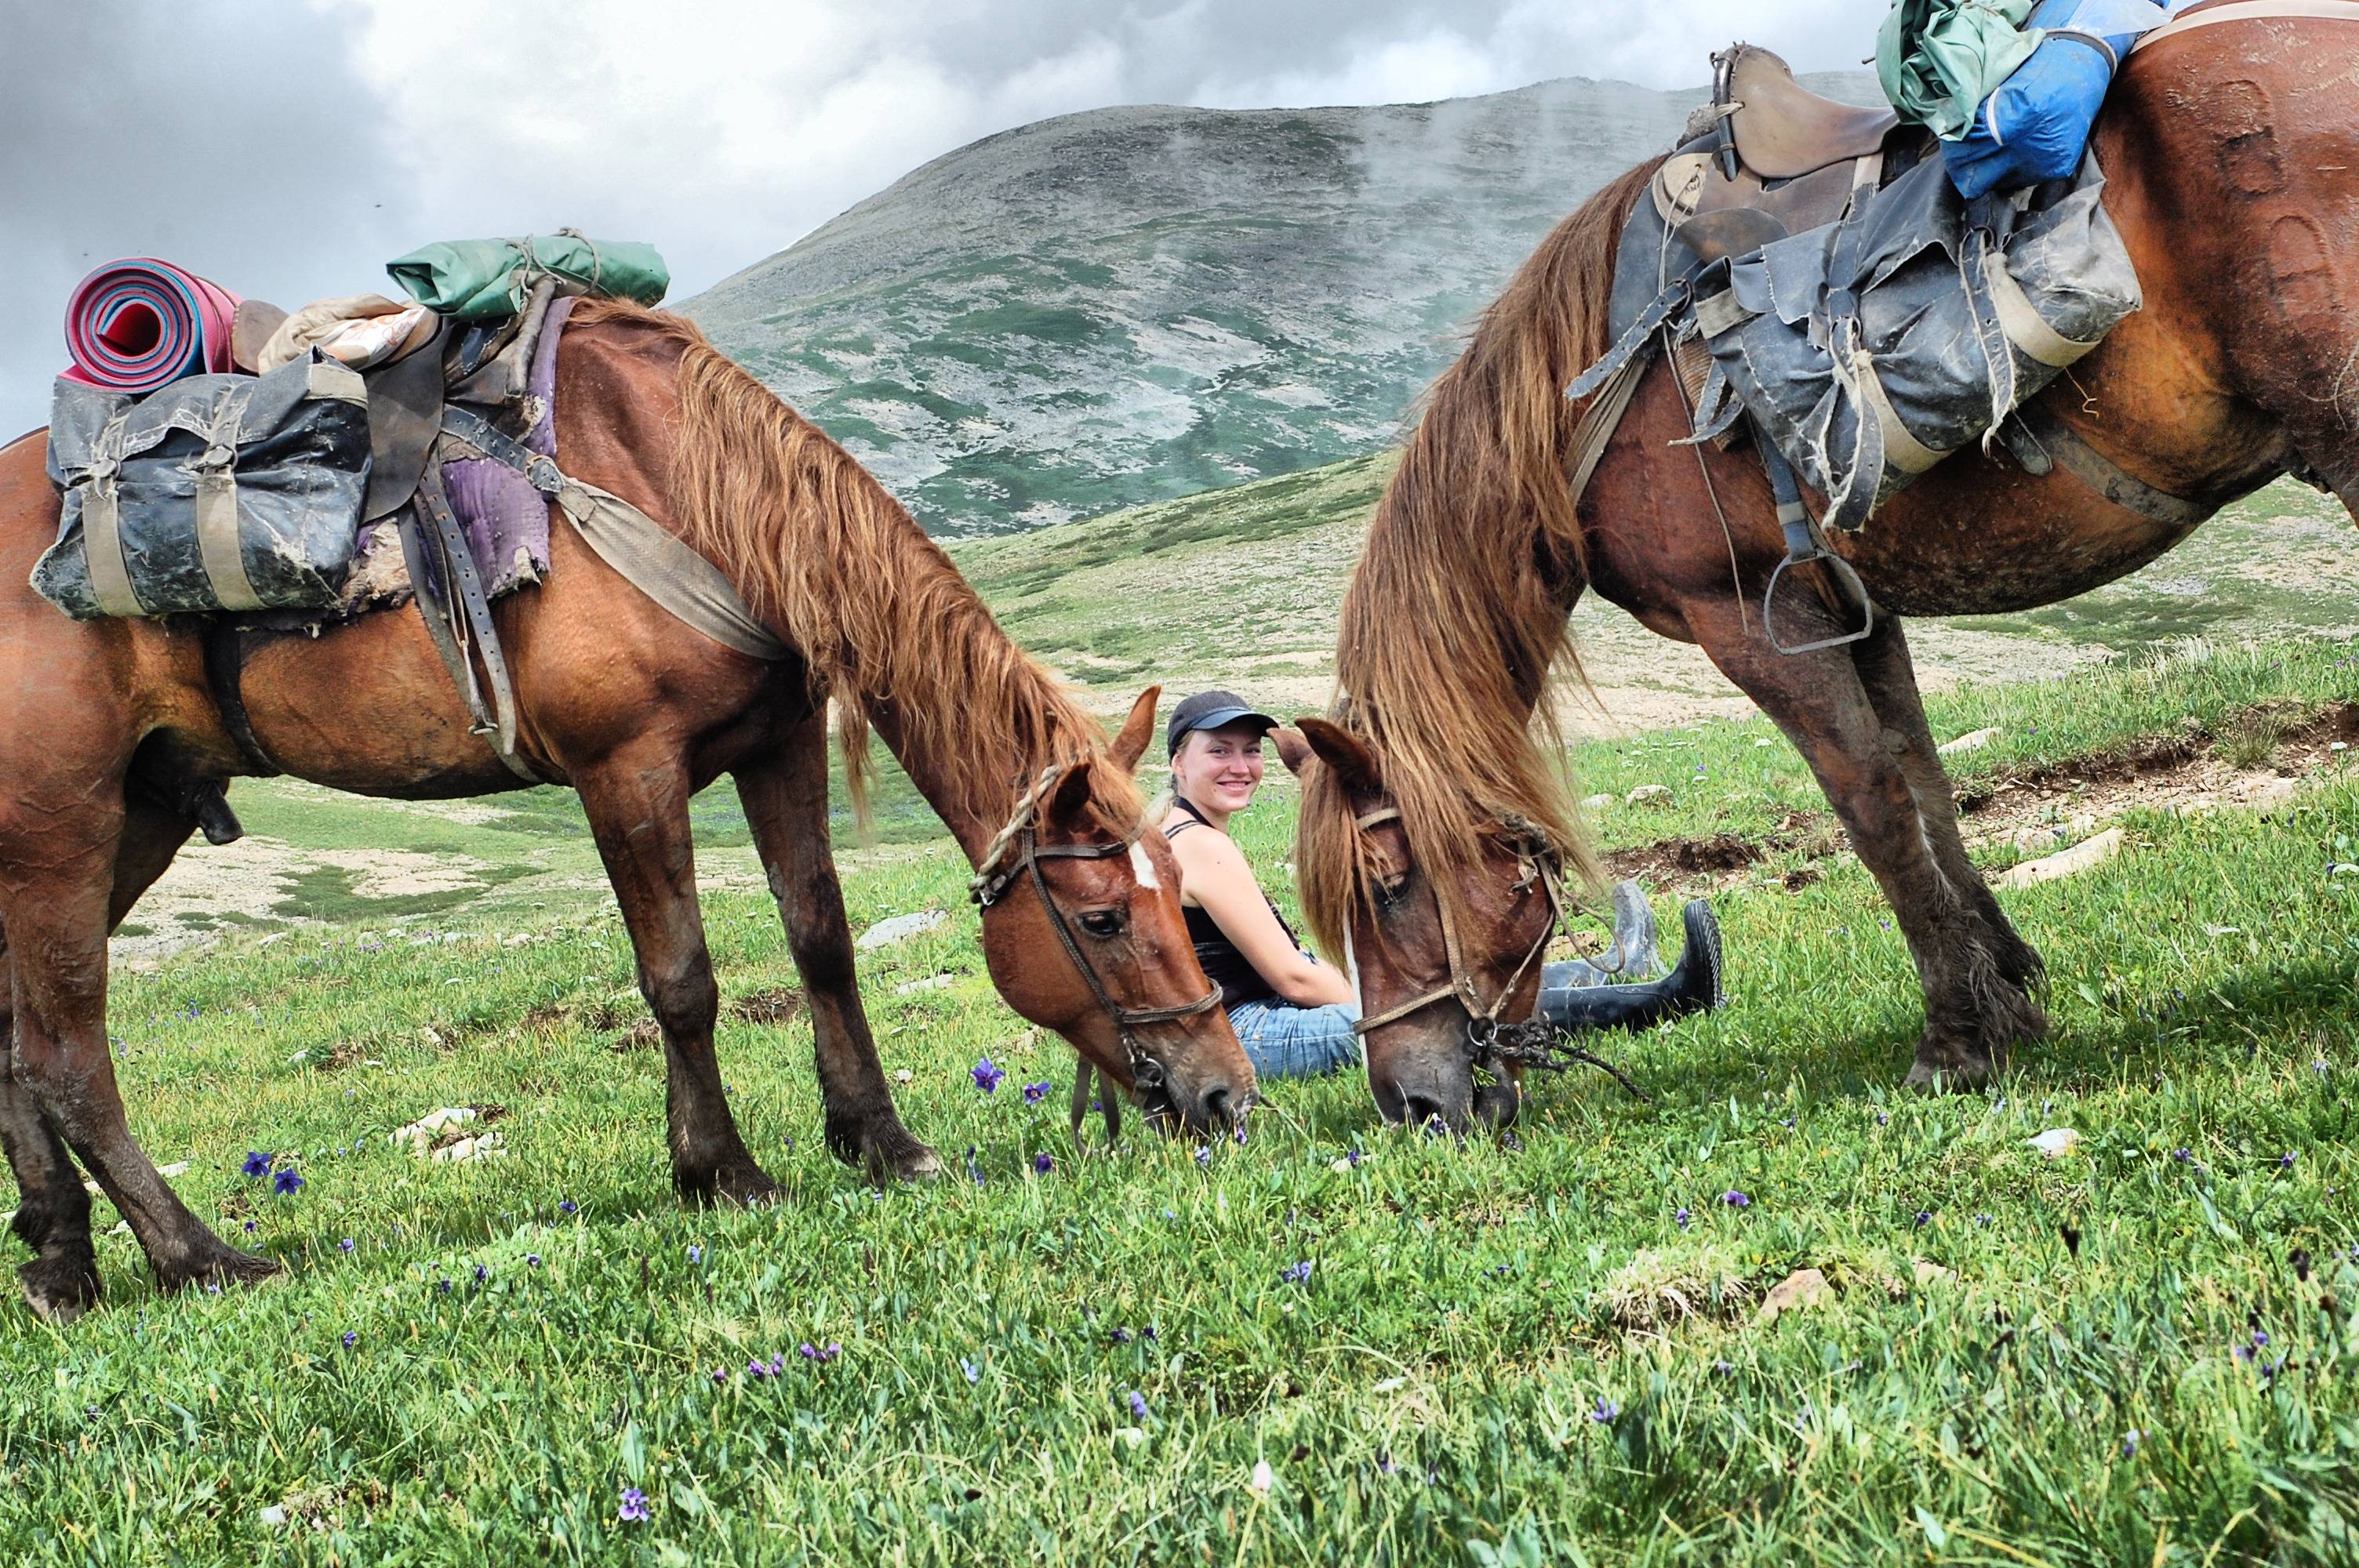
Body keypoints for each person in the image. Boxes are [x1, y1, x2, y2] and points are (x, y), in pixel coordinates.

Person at [1157, 690, 1724, 1080]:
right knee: (1451, 1006)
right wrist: (1398, 1003)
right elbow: (1295, 977)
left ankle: (1621, 960)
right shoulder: (1201, 846)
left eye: (1250, 751)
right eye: (1219, 752)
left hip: (1243, 1024)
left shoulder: (1177, 833)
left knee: (1462, 986)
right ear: (1179, 764)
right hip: (1249, 1036)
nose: (1241, 766)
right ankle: (1662, 1001)